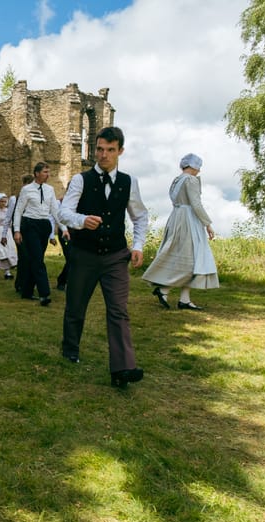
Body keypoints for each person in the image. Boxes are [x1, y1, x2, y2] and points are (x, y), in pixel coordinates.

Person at [58, 126, 148, 388]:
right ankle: (70, 349)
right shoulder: (80, 180)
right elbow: (64, 212)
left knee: (118, 311)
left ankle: (122, 369)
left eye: (110, 150)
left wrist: (138, 245)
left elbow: (140, 216)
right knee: (76, 306)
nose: (104, 154)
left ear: (120, 151)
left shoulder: (129, 182)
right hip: (84, 254)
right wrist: (82, 220)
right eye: (99, 149)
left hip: (116, 256)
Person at [142, 153, 219, 310]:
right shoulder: (190, 180)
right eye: (198, 167)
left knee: (186, 258)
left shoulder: (177, 180)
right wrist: (208, 224)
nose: (199, 171)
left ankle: (184, 299)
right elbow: (196, 204)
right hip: (188, 220)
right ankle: (165, 290)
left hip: (176, 217)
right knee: (192, 259)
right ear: (193, 166)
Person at [13, 162, 66, 306]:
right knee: (37, 259)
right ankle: (44, 293)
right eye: (45, 172)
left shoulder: (50, 189)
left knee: (35, 259)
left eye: (48, 172)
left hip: (44, 225)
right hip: (30, 224)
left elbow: (55, 210)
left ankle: (27, 291)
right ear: (36, 173)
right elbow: (18, 210)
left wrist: (64, 228)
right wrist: (17, 230)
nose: (48, 175)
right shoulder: (27, 190)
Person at [2, 174, 35, 290]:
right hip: (18, 230)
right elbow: (8, 217)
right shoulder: (14, 199)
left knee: (30, 257)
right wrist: (4, 234)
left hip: (30, 230)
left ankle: (24, 283)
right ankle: (21, 284)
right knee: (24, 256)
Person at [55, 194, 72, 291]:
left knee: (75, 258)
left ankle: (66, 280)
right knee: (70, 258)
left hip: (76, 232)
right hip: (64, 232)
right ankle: (62, 281)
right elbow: (58, 218)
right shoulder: (60, 203)